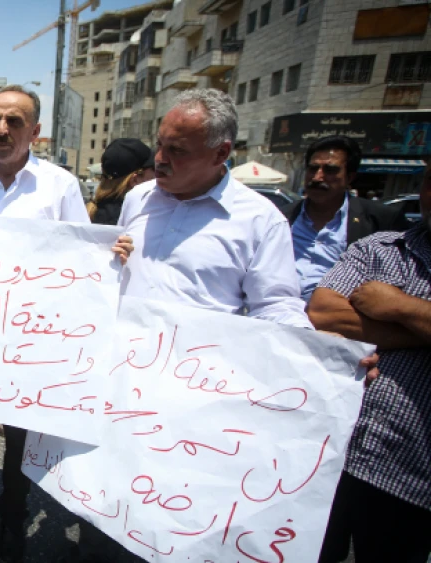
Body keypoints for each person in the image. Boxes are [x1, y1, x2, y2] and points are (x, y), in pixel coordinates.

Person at [75, 88, 377, 562]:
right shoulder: (138, 200)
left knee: (169, 517)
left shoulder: (260, 222)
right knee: (101, 514)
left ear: (221, 154)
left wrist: (323, 355)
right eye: (160, 145)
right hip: (119, 388)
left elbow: (276, 307)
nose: (160, 159)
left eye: (177, 150)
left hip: (194, 406)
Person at [0, 86, 131, 563]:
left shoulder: (59, 186)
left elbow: (83, 253)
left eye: (13, 122)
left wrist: (110, 256)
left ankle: (12, 517)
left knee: (22, 430)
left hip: (30, 338)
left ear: (34, 132)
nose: (0, 129)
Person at [308, 164, 431, 563]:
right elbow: (323, 313)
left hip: (410, 473)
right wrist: (421, 329)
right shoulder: (379, 248)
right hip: (329, 454)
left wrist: (399, 305)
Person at [282, 135, 409, 302]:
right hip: (278, 315)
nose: (317, 177)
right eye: (313, 168)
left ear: (350, 177)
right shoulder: (282, 216)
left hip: (338, 319)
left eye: (330, 170)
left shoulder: (380, 220)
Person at [86, 138, 155, 225]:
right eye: (154, 168)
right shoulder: (136, 218)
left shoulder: (90, 211)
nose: (157, 175)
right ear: (135, 180)